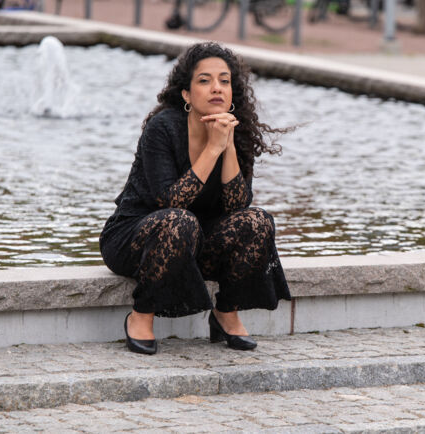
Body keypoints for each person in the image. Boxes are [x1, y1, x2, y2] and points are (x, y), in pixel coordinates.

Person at [99, 42, 291, 355]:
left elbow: (236, 208)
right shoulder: (163, 128)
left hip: (195, 243)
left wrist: (227, 145)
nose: (216, 88)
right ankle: (141, 315)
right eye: (204, 80)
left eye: (224, 81)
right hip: (136, 237)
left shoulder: (237, 132)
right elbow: (171, 201)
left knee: (256, 221)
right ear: (186, 94)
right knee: (179, 221)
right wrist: (212, 148)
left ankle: (226, 312)